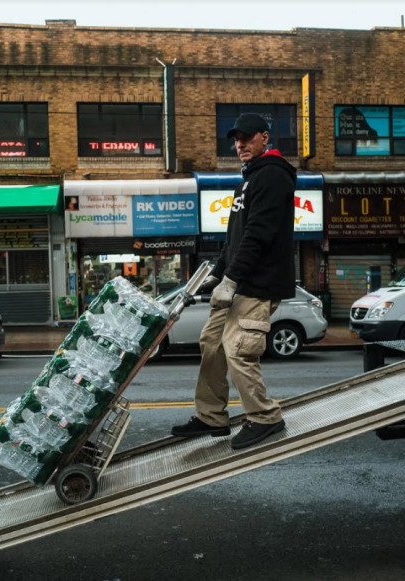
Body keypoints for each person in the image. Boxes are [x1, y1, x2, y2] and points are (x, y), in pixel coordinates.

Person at [171, 112, 296, 450]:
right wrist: (217, 274)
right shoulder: (248, 179)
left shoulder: (273, 175)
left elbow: (259, 234)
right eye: (236, 139)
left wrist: (232, 279)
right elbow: (235, 237)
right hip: (239, 282)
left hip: (259, 284)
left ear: (265, 138)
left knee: (238, 349)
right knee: (210, 343)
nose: (240, 144)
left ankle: (265, 417)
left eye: (248, 137)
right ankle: (211, 416)